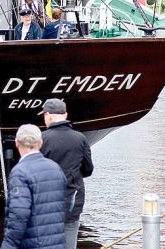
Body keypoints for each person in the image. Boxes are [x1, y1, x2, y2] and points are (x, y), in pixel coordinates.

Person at [1, 124, 67, 249]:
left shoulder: (20, 172)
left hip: (33, 244)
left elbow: (19, 214)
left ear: (16, 143)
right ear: (40, 143)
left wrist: (8, 245)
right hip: (57, 243)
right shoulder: (56, 168)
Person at [40, 98, 94, 249]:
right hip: (73, 198)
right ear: (65, 115)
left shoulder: (42, 139)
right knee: (70, 235)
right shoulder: (80, 138)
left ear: (48, 115)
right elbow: (88, 169)